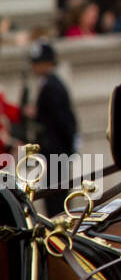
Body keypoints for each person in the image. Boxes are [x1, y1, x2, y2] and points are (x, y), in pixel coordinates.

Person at [24, 40, 78, 213]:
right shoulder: (48, 84)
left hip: (55, 152)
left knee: (56, 205)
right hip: (53, 152)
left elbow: (63, 121)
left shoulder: (52, 86)